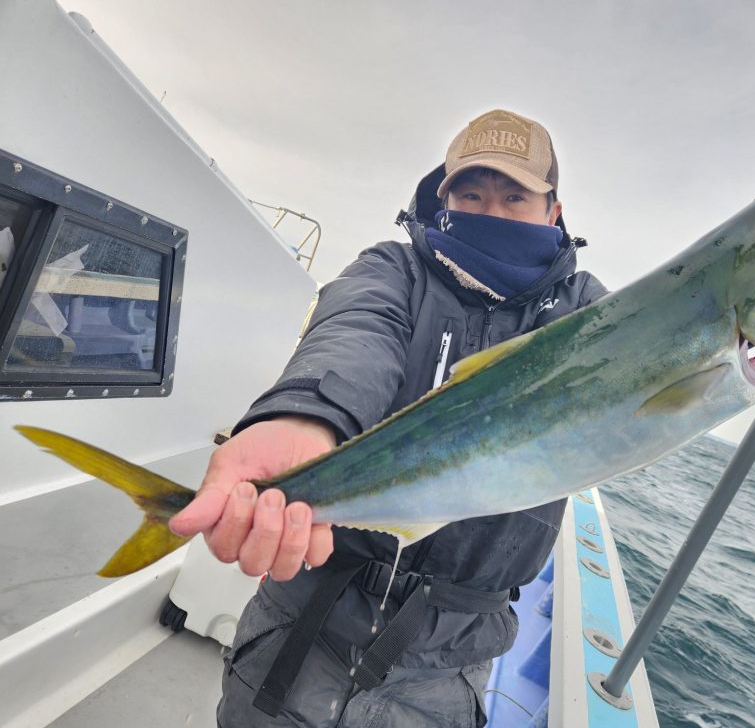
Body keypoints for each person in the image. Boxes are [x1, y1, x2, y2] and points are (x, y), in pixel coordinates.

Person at [170, 108, 608, 727]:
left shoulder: (583, 311)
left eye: (515, 196)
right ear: (445, 198)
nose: (492, 213)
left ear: (552, 211)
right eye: (472, 194)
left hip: (450, 661)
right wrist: (308, 415)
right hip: (306, 616)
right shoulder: (396, 268)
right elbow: (356, 332)